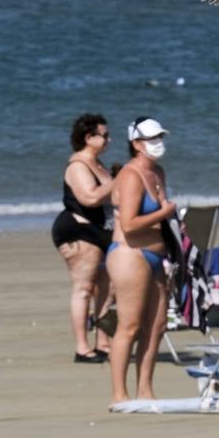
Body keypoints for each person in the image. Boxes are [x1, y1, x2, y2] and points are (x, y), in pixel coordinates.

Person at [106, 116, 177, 406]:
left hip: (157, 255)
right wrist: (165, 213)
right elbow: (131, 223)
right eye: (151, 139)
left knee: (157, 324)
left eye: (160, 137)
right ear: (136, 144)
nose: (157, 144)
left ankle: (145, 391)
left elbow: (162, 215)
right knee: (130, 325)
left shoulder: (157, 172)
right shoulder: (130, 175)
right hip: (129, 254)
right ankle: (119, 394)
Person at [51, 113, 116, 364]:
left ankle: (102, 342)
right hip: (78, 231)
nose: (109, 139)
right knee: (84, 287)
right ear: (89, 138)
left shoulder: (97, 163)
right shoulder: (78, 165)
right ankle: (82, 348)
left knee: (107, 290)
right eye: (105, 135)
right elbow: (89, 198)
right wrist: (117, 181)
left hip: (101, 231)